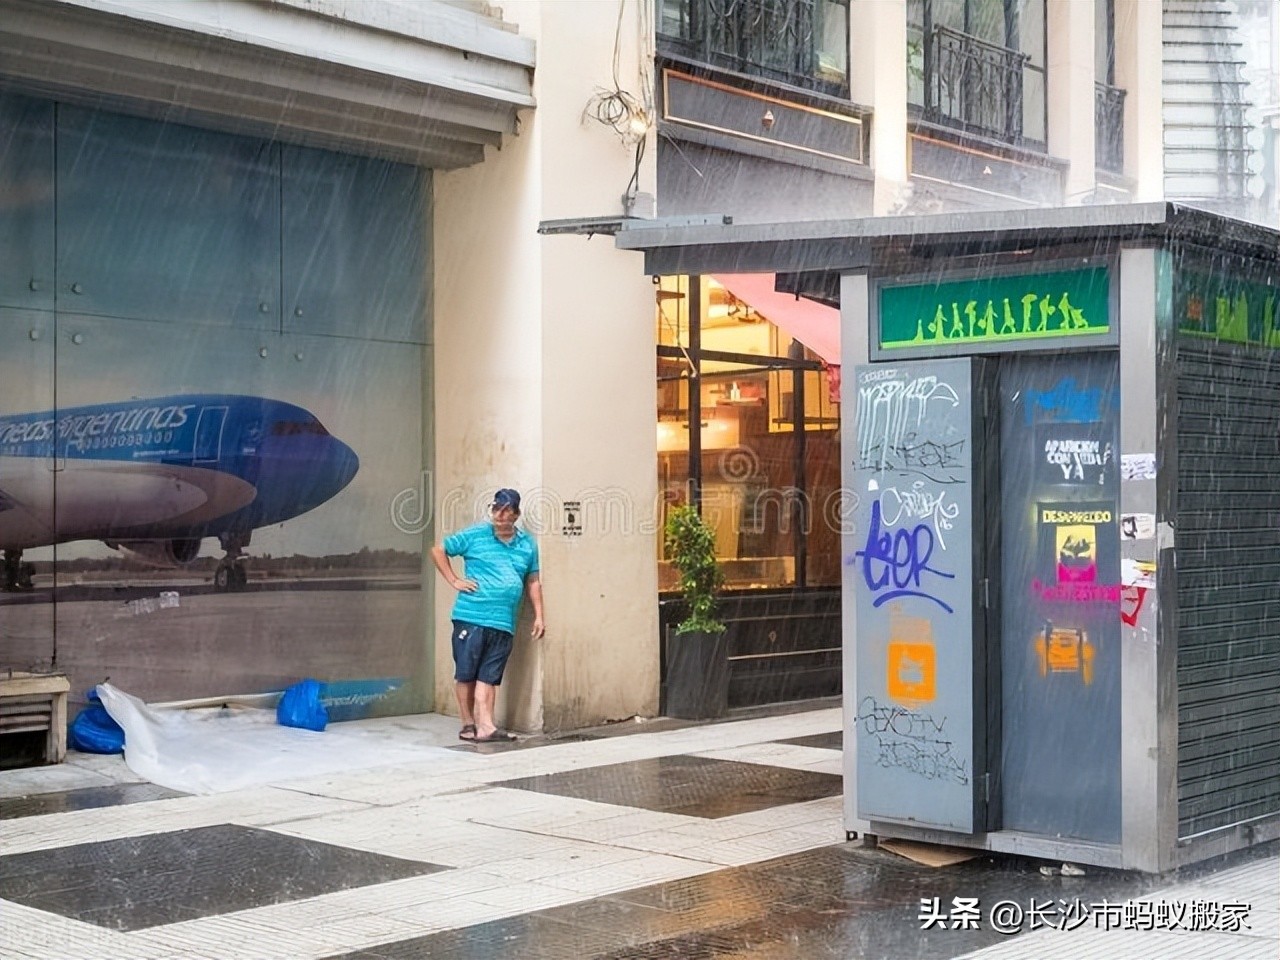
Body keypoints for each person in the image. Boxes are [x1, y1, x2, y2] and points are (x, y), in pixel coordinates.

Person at [430, 488, 544, 743]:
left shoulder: (526, 544)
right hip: (471, 616)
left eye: (506, 510)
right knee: (466, 673)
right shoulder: (476, 534)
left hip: (503, 621)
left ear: (516, 514)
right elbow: (439, 550)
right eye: (496, 509)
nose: (500, 515)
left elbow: (533, 581)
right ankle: (468, 723)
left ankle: (487, 726)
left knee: (489, 676)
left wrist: (539, 615)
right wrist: (454, 580)